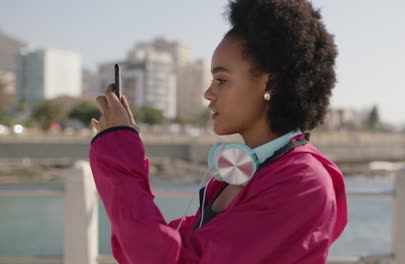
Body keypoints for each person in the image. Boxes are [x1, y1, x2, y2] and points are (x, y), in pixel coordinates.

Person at [89, 0, 348, 263]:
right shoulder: (236, 173)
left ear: (270, 83)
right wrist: (124, 150)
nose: (208, 94)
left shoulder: (304, 183)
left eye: (221, 80)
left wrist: (120, 156)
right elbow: (144, 248)